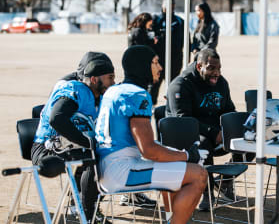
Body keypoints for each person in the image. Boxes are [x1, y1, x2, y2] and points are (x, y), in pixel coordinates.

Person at [95, 45, 207, 224]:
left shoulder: (114, 90)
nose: (160, 68)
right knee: (199, 175)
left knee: (173, 165)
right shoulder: (136, 94)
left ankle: (172, 219)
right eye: (155, 62)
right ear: (142, 65)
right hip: (121, 170)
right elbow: (148, 150)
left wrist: (177, 156)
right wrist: (187, 155)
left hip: (106, 167)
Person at [31, 54, 116, 223]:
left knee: (103, 153)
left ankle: (80, 208)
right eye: (110, 78)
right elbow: (57, 118)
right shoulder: (75, 89)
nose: (113, 83)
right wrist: (88, 143)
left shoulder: (97, 94)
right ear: (93, 79)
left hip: (70, 148)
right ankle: (86, 214)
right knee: (95, 155)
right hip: (46, 148)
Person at [166, 49, 236, 211]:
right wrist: (213, 132)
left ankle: (225, 182)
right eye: (211, 68)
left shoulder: (221, 82)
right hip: (185, 136)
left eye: (219, 69)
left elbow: (228, 110)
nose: (216, 73)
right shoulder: (181, 84)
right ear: (199, 66)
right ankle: (207, 192)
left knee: (248, 140)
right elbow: (183, 120)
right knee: (203, 144)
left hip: (215, 134)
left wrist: (233, 127)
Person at [151, 0, 184, 105]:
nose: (170, 7)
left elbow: (185, 40)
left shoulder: (179, 21)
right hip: (159, 60)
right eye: (168, 5)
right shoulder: (156, 20)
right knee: (154, 85)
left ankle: (171, 106)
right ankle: (151, 106)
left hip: (174, 60)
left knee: (173, 86)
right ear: (163, 6)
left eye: (172, 5)